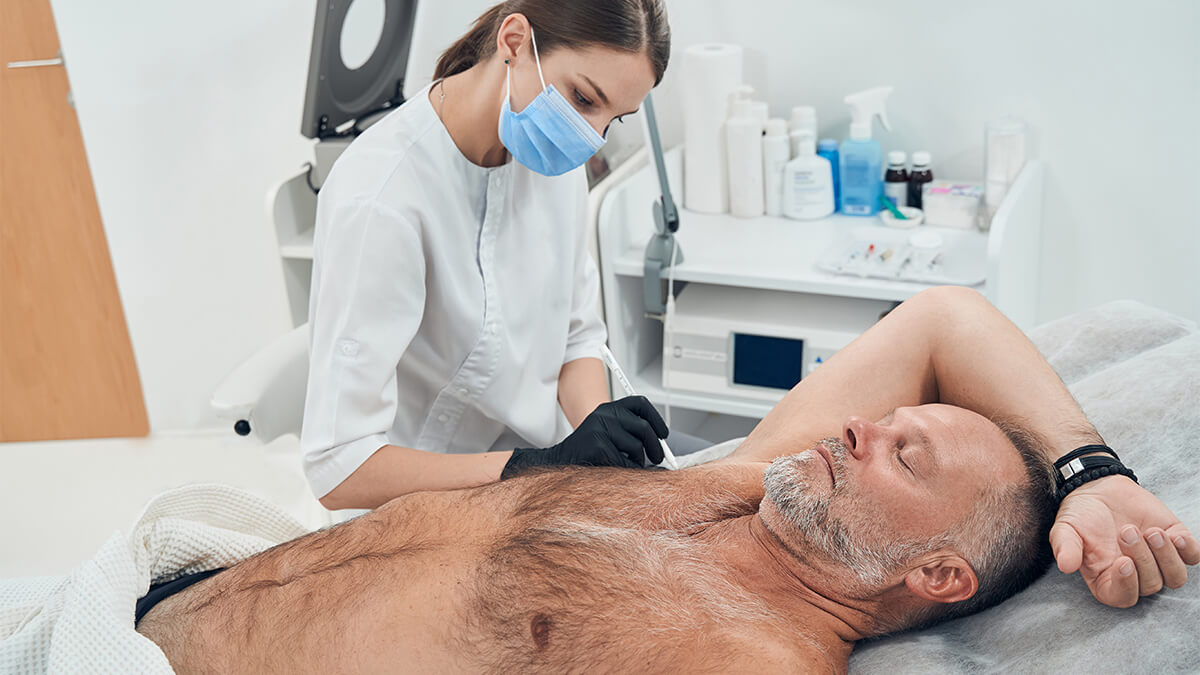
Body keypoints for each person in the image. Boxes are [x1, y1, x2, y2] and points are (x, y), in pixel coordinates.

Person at [136, 288, 1197, 671]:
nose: (862, 425)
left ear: (938, 574)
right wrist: (1093, 473)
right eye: (886, 421)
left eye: (904, 452)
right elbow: (942, 318)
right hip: (147, 597)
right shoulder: (735, 484)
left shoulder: (745, 656)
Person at [301, 0, 676, 511]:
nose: (590, 141)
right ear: (515, 42)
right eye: (585, 99)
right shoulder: (381, 199)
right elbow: (337, 468)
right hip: (415, 509)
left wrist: (599, 439)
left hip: (537, 482)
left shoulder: (551, 159)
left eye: (614, 120)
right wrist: (535, 466)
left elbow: (575, 335)